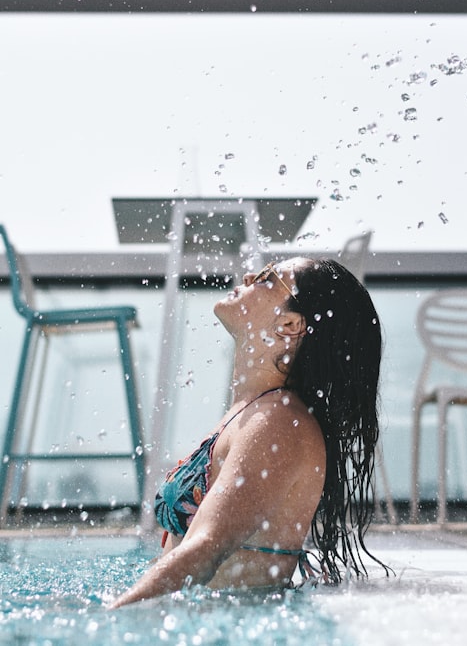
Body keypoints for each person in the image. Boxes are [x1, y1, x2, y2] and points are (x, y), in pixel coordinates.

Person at [109, 257, 383, 609]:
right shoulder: (256, 412)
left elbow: (203, 550)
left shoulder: (278, 424)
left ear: (289, 324)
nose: (249, 275)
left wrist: (110, 619)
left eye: (268, 278)